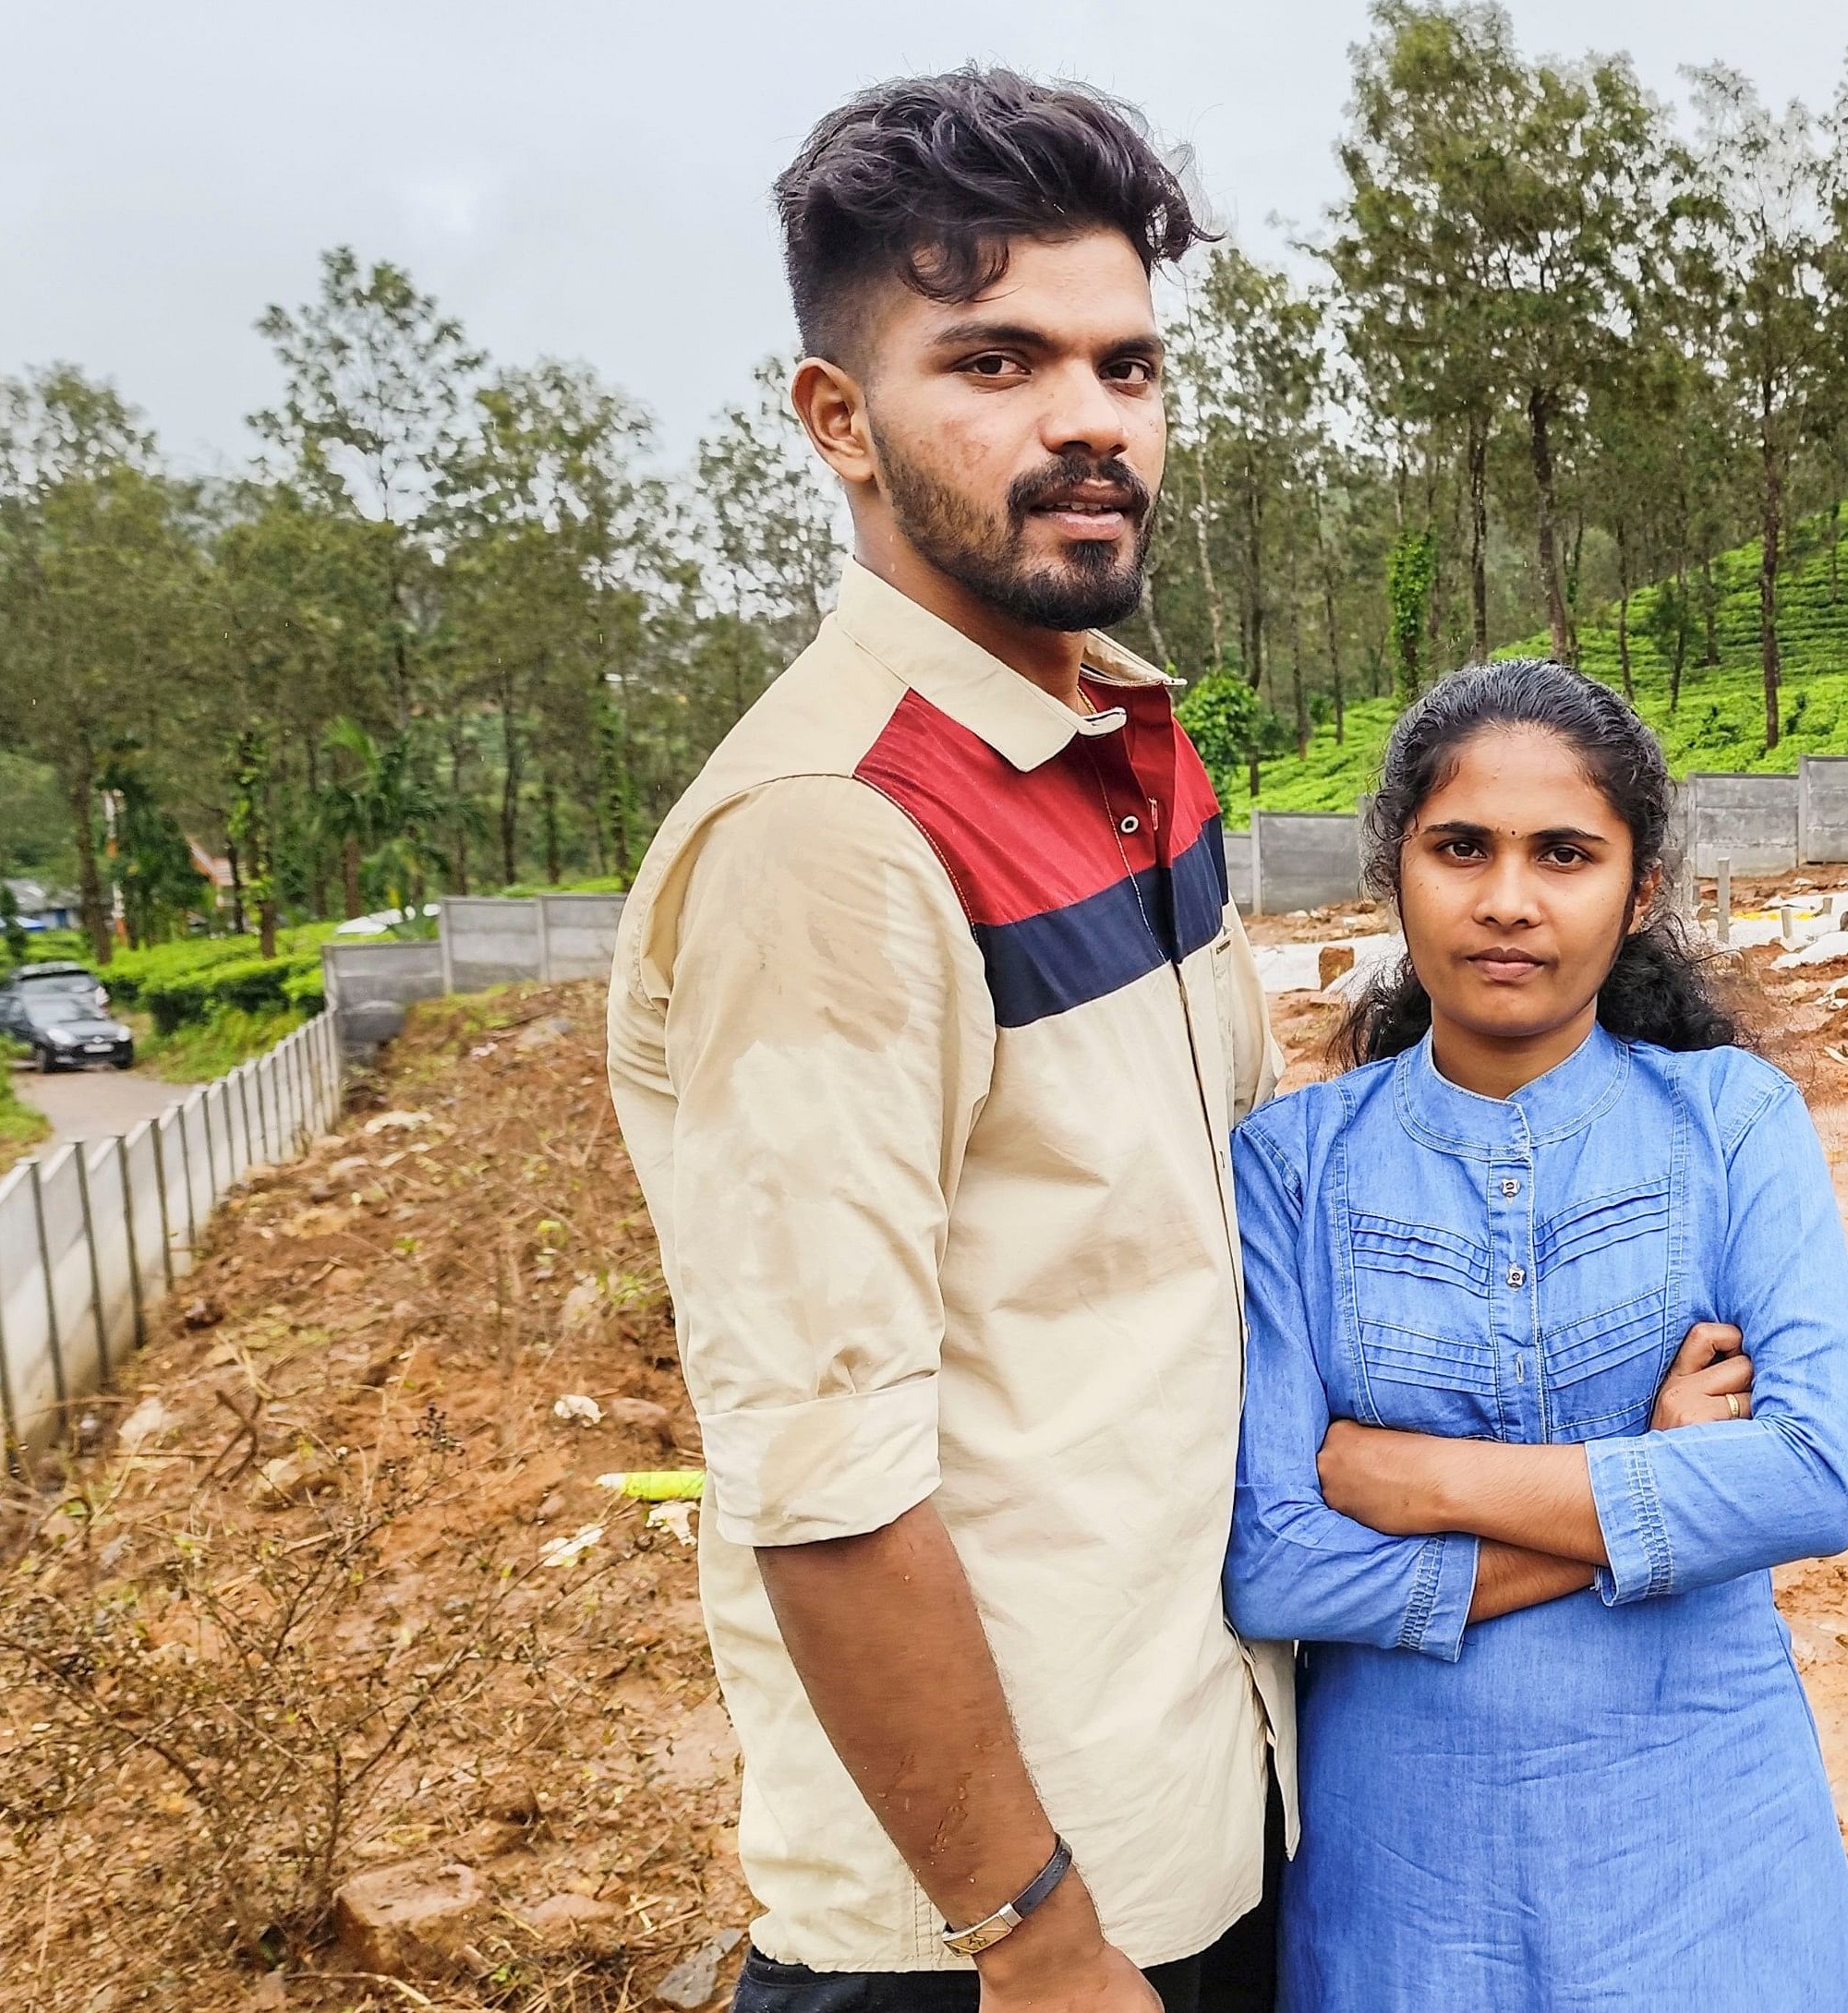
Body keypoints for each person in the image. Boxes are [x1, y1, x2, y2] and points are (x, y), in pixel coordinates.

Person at [609, 68, 1286, 2013]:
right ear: (838, 418)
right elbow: (823, 1482)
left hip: (1200, 1806)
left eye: (1126, 365)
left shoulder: (1129, 753)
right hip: (990, 1938)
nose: (1089, 421)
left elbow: (1188, 1250)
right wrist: (1038, 1941)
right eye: (994, 362)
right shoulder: (832, 837)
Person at [1226, 660, 1848, 2012]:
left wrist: (1420, 1480)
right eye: (1461, 847)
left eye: (1564, 854)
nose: (1508, 899)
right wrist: (1648, 1479)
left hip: (1710, 1854)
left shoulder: (1734, 1123)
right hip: (1409, 1881)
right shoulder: (1291, 1167)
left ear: (1636, 894)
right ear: (1395, 871)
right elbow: (1271, 1564)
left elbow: (1814, 1478)